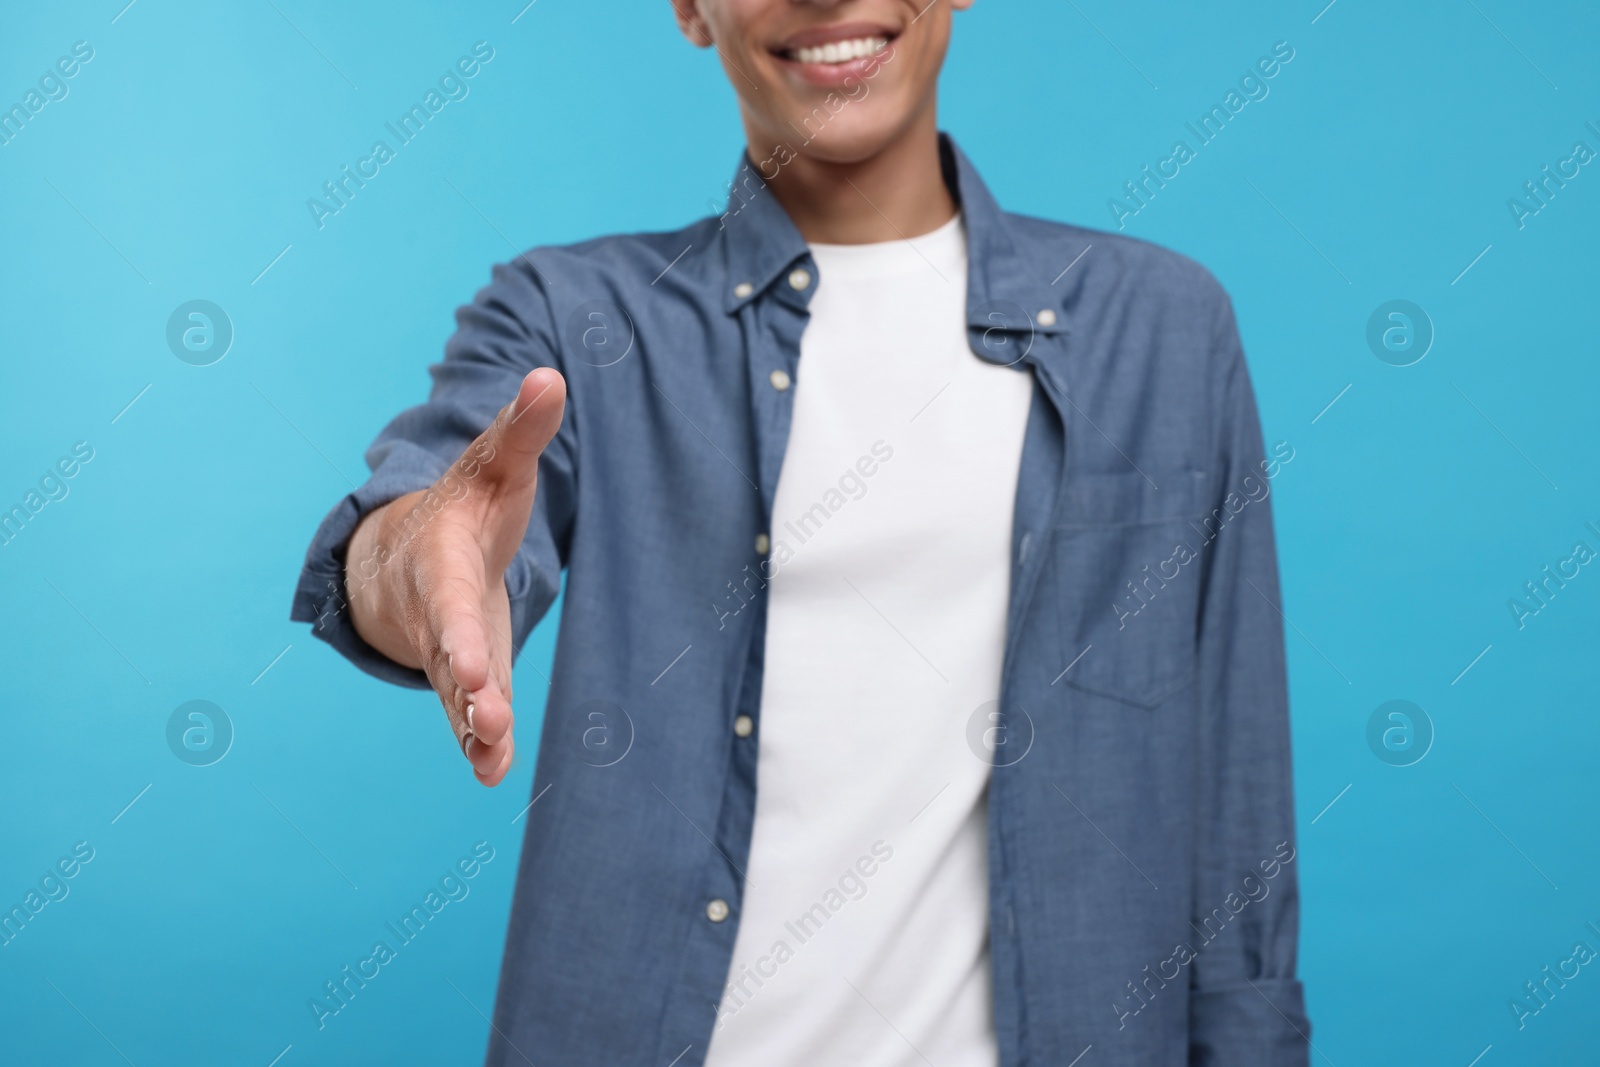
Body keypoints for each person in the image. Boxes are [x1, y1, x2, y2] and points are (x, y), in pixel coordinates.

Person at [290, 1, 1310, 1063]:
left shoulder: (1163, 329)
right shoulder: (574, 316)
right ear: (690, 9)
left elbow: (1237, 789)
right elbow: (432, 511)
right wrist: (420, 563)